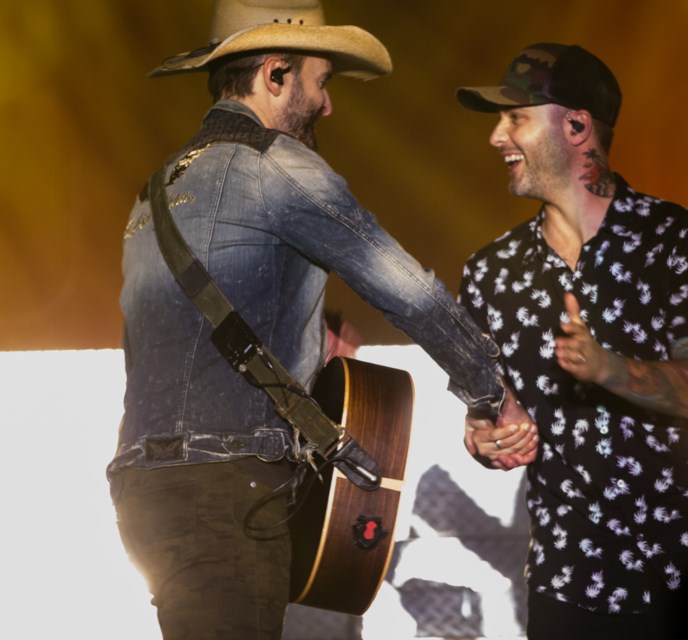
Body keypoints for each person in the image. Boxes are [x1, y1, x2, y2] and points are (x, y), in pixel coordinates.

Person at [107, 2, 534, 638]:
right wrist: (488, 392)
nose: (328, 106)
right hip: (232, 489)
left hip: (147, 492)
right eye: (321, 81)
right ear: (276, 74)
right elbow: (408, 291)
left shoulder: (157, 189)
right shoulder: (276, 167)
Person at [456, 43, 688, 639]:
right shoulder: (489, 273)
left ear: (576, 125)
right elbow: (484, 411)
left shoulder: (679, 241)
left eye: (515, 117)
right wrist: (490, 438)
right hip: (572, 579)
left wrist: (605, 367)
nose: (497, 137)